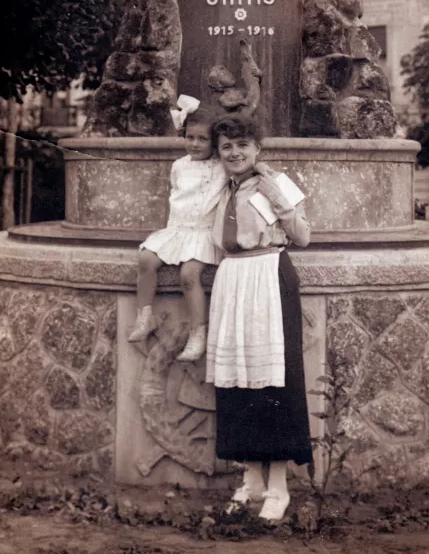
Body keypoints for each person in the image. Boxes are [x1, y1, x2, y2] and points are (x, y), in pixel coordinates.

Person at [205, 115, 312, 523]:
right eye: (226, 146)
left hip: (269, 275)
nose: (234, 153)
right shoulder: (219, 187)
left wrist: (277, 197)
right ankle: (250, 480)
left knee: (274, 381)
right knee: (236, 377)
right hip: (233, 279)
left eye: (242, 145)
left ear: (257, 148)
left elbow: (302, 236)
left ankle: (278, 487)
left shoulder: (276, 182)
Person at [128, 96, 227, 361]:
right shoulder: (179, 166)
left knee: (189, 275)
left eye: (203, 139)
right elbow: (177, 194)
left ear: (214, 141)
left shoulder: (221, 167)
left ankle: (198, 332)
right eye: (190, 137)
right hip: (178, 230)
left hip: (203, 232)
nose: (195, 144)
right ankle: (145, 315)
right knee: (146, 259)